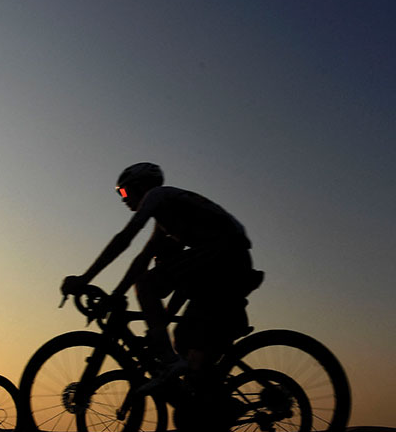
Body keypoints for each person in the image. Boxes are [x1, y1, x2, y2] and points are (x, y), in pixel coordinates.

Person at [61, 162, 258, 391]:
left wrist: (84, 279)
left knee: (146, 284)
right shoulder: (165, 220)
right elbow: (142, 259)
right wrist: (116, 294)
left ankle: (168, 361)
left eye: (123, 191)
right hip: (225, 263)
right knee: (184, 340)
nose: (123, 199)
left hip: (225, 254)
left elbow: (125, 238)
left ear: (142, 185)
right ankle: (205, 398)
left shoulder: (157, 194)